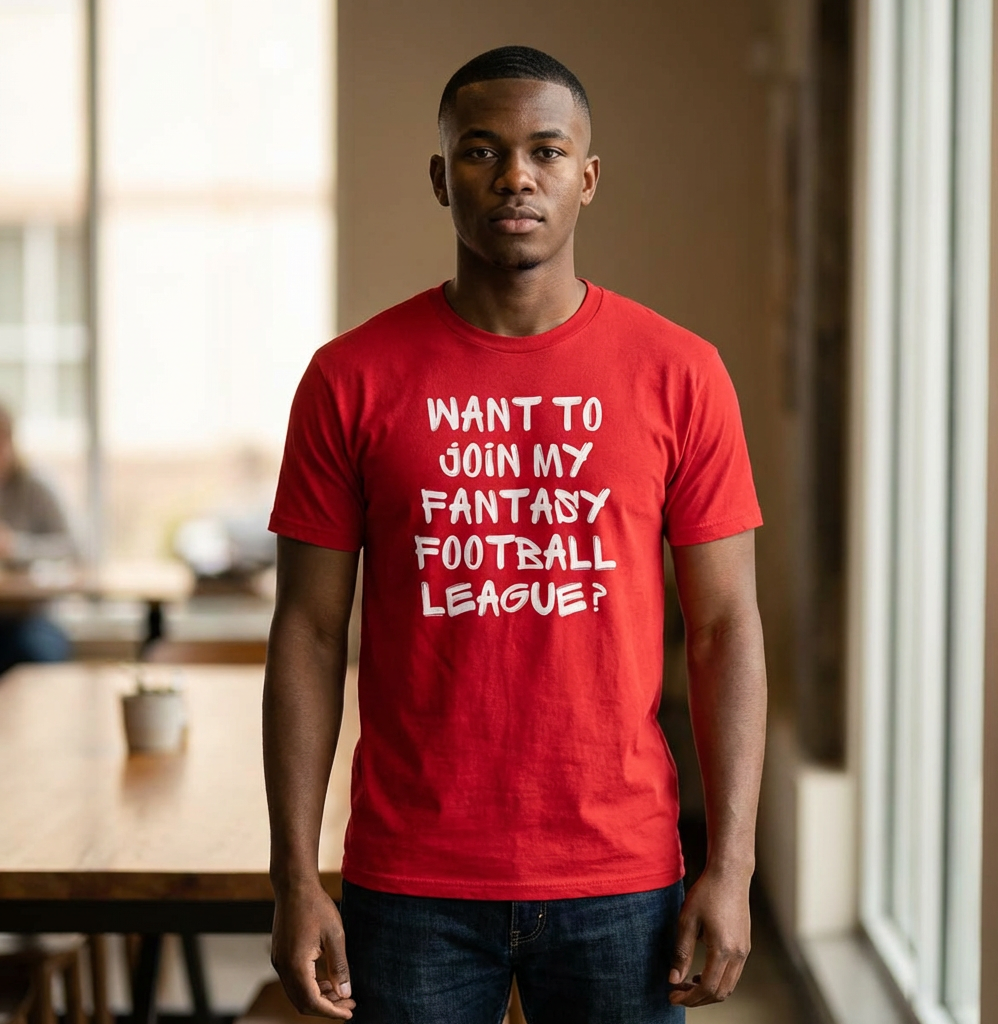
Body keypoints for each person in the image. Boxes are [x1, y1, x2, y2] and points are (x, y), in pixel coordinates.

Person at [264, 46, 767, 1024]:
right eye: (481, 151)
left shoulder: (681, 373)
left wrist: (733, 862)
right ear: (440, 176)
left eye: (544, 150)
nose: (514, 176)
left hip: (617, 871)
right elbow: (310, 633)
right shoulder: (349, 378)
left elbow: (726, 628)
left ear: (586, 178)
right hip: (412, 874)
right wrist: (293, 875)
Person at [0, 405, 74, 673]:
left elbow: (71, 548)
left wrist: (15, 546)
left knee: (35, 651)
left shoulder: (35, 488)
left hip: (30, 618)